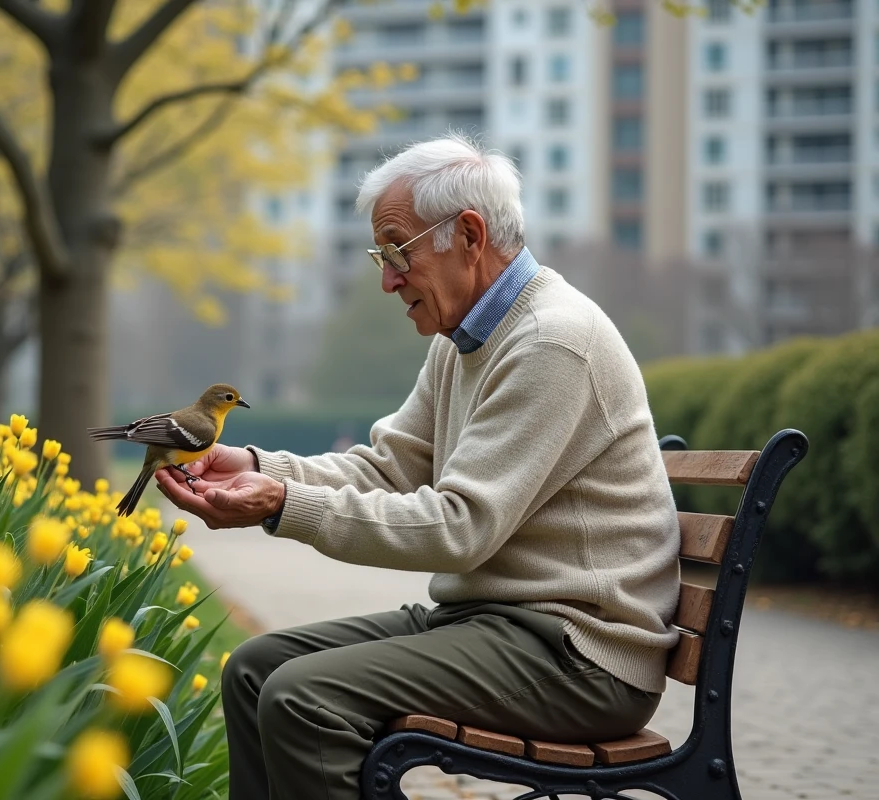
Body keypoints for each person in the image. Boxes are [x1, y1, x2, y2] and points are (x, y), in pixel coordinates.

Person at [154, 134, 681, 800]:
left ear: (468, 234)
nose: (386, 279)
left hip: (578, 656)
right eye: (383, 255)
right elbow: (388, 469)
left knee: (301, 697)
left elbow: (461, 527)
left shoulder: (552, 341)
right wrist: (255, 465)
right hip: (500, 627)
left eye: (397, 250)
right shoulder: (466, 340)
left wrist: (281, 504)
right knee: (256, 670)